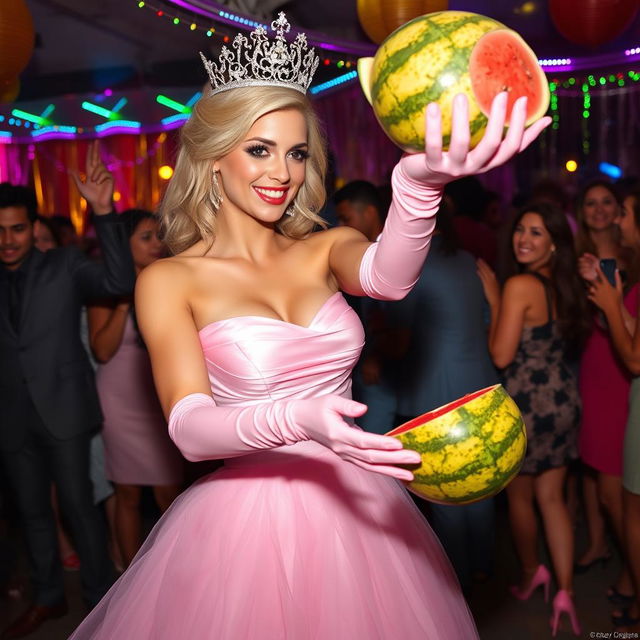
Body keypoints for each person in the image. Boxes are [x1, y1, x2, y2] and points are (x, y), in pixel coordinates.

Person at [69, 14, 549, 639]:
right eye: (259, 149)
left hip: (358, 504)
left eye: (296, 152)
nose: (282, 172)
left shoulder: (325, 247)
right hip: (245, 525)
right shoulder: (169, 279)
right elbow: (189, 430)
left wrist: (416, 185)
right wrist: (297, 418)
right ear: (215, 159)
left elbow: (391, 277)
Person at [0, 142, 135, 639]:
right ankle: (50, 598)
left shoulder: (63, 266)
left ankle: (102, 603)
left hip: (64, 413)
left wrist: (103, 211)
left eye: (17, 229)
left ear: (33, 228)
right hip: (12, 417)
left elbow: (120, 278)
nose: (8, 240)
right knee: (34, 514)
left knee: (80, 509)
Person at [477, 202, 590, 637]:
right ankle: (565, 591)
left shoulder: (520, 284)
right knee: (555, 500)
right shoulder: (566, 284)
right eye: (521, 229)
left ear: (555, 243)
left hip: (527, 406)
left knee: (522, 501)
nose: (523, 238)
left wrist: (494, 299)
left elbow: (501, 355)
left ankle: (531, 573)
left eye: (537, 233)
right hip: (563, 400)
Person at [389, 201, 498, 592]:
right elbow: (486, 324)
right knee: (480, 481)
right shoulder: (470, 259)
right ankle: (484, 565)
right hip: (479, 384)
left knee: (445, 488)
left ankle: (457, 580)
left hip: (434, 393)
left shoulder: (412, 265)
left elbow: (399, 343)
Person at [88, 209, 183, 569]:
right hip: (118, 401)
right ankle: (129, 578)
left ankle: (175, 570)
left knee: (170, 492)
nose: (157, 244)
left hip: (158, 399)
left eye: (159, 235)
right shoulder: (105, 292)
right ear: (122, 246)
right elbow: (102, 350)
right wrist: (127, 295)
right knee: (126, 492)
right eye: (146, 237)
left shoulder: (172, 281)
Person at [575, 181, 636, 604]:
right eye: (590, 203)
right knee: (597, 471)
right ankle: (605, 547)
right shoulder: (575, 255)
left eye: (607, 204)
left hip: (623, 372)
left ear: (619, 212)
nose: (599, 211)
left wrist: (605, 298)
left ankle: (631, 575)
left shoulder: (634, 256)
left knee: (619, 485)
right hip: (593, 366)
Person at [333, 180, 397, 434]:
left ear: (369, 212)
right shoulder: (357, 255)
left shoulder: (389, 255)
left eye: (345, 218)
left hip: (385, 374)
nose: (341, 227)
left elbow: (399, 321)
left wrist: (376, 356)